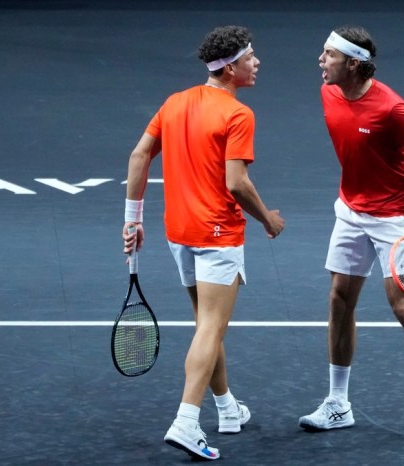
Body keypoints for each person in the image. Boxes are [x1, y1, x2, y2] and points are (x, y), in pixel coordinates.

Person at [122, 25, 284, 461]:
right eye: (251, 57)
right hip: (217, 234)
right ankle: (186, 422)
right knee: (211, 329)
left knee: (205, 329)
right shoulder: (238, 115)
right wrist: (268, 218)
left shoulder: (174, 103)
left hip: (179, 232)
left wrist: (131, 220)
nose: (257, 63)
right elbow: (237, 182)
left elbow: (139, 156)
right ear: (231, 68)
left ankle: (228, 410)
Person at [298, 26, 404, 441]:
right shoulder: (328, 92)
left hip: (395, 217)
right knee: (339, 301)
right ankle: (338, 404)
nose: (320, 60)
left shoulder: (392, 109)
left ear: (352, 63)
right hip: (349, 211)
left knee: (403, 308)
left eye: (327, 55)